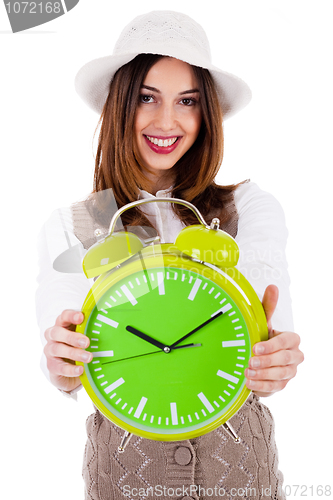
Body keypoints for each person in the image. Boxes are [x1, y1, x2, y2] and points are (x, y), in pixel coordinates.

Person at [36, 10, 304, 500]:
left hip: (240, 480)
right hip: (125, 482)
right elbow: (63, 339)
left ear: (207, 115)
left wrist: (276, 360)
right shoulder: (74, 222)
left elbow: (268, 335)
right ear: (119, 105)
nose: (167, 121)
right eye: (146, 98)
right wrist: (60, 358)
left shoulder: (248, 206)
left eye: (187, 101)